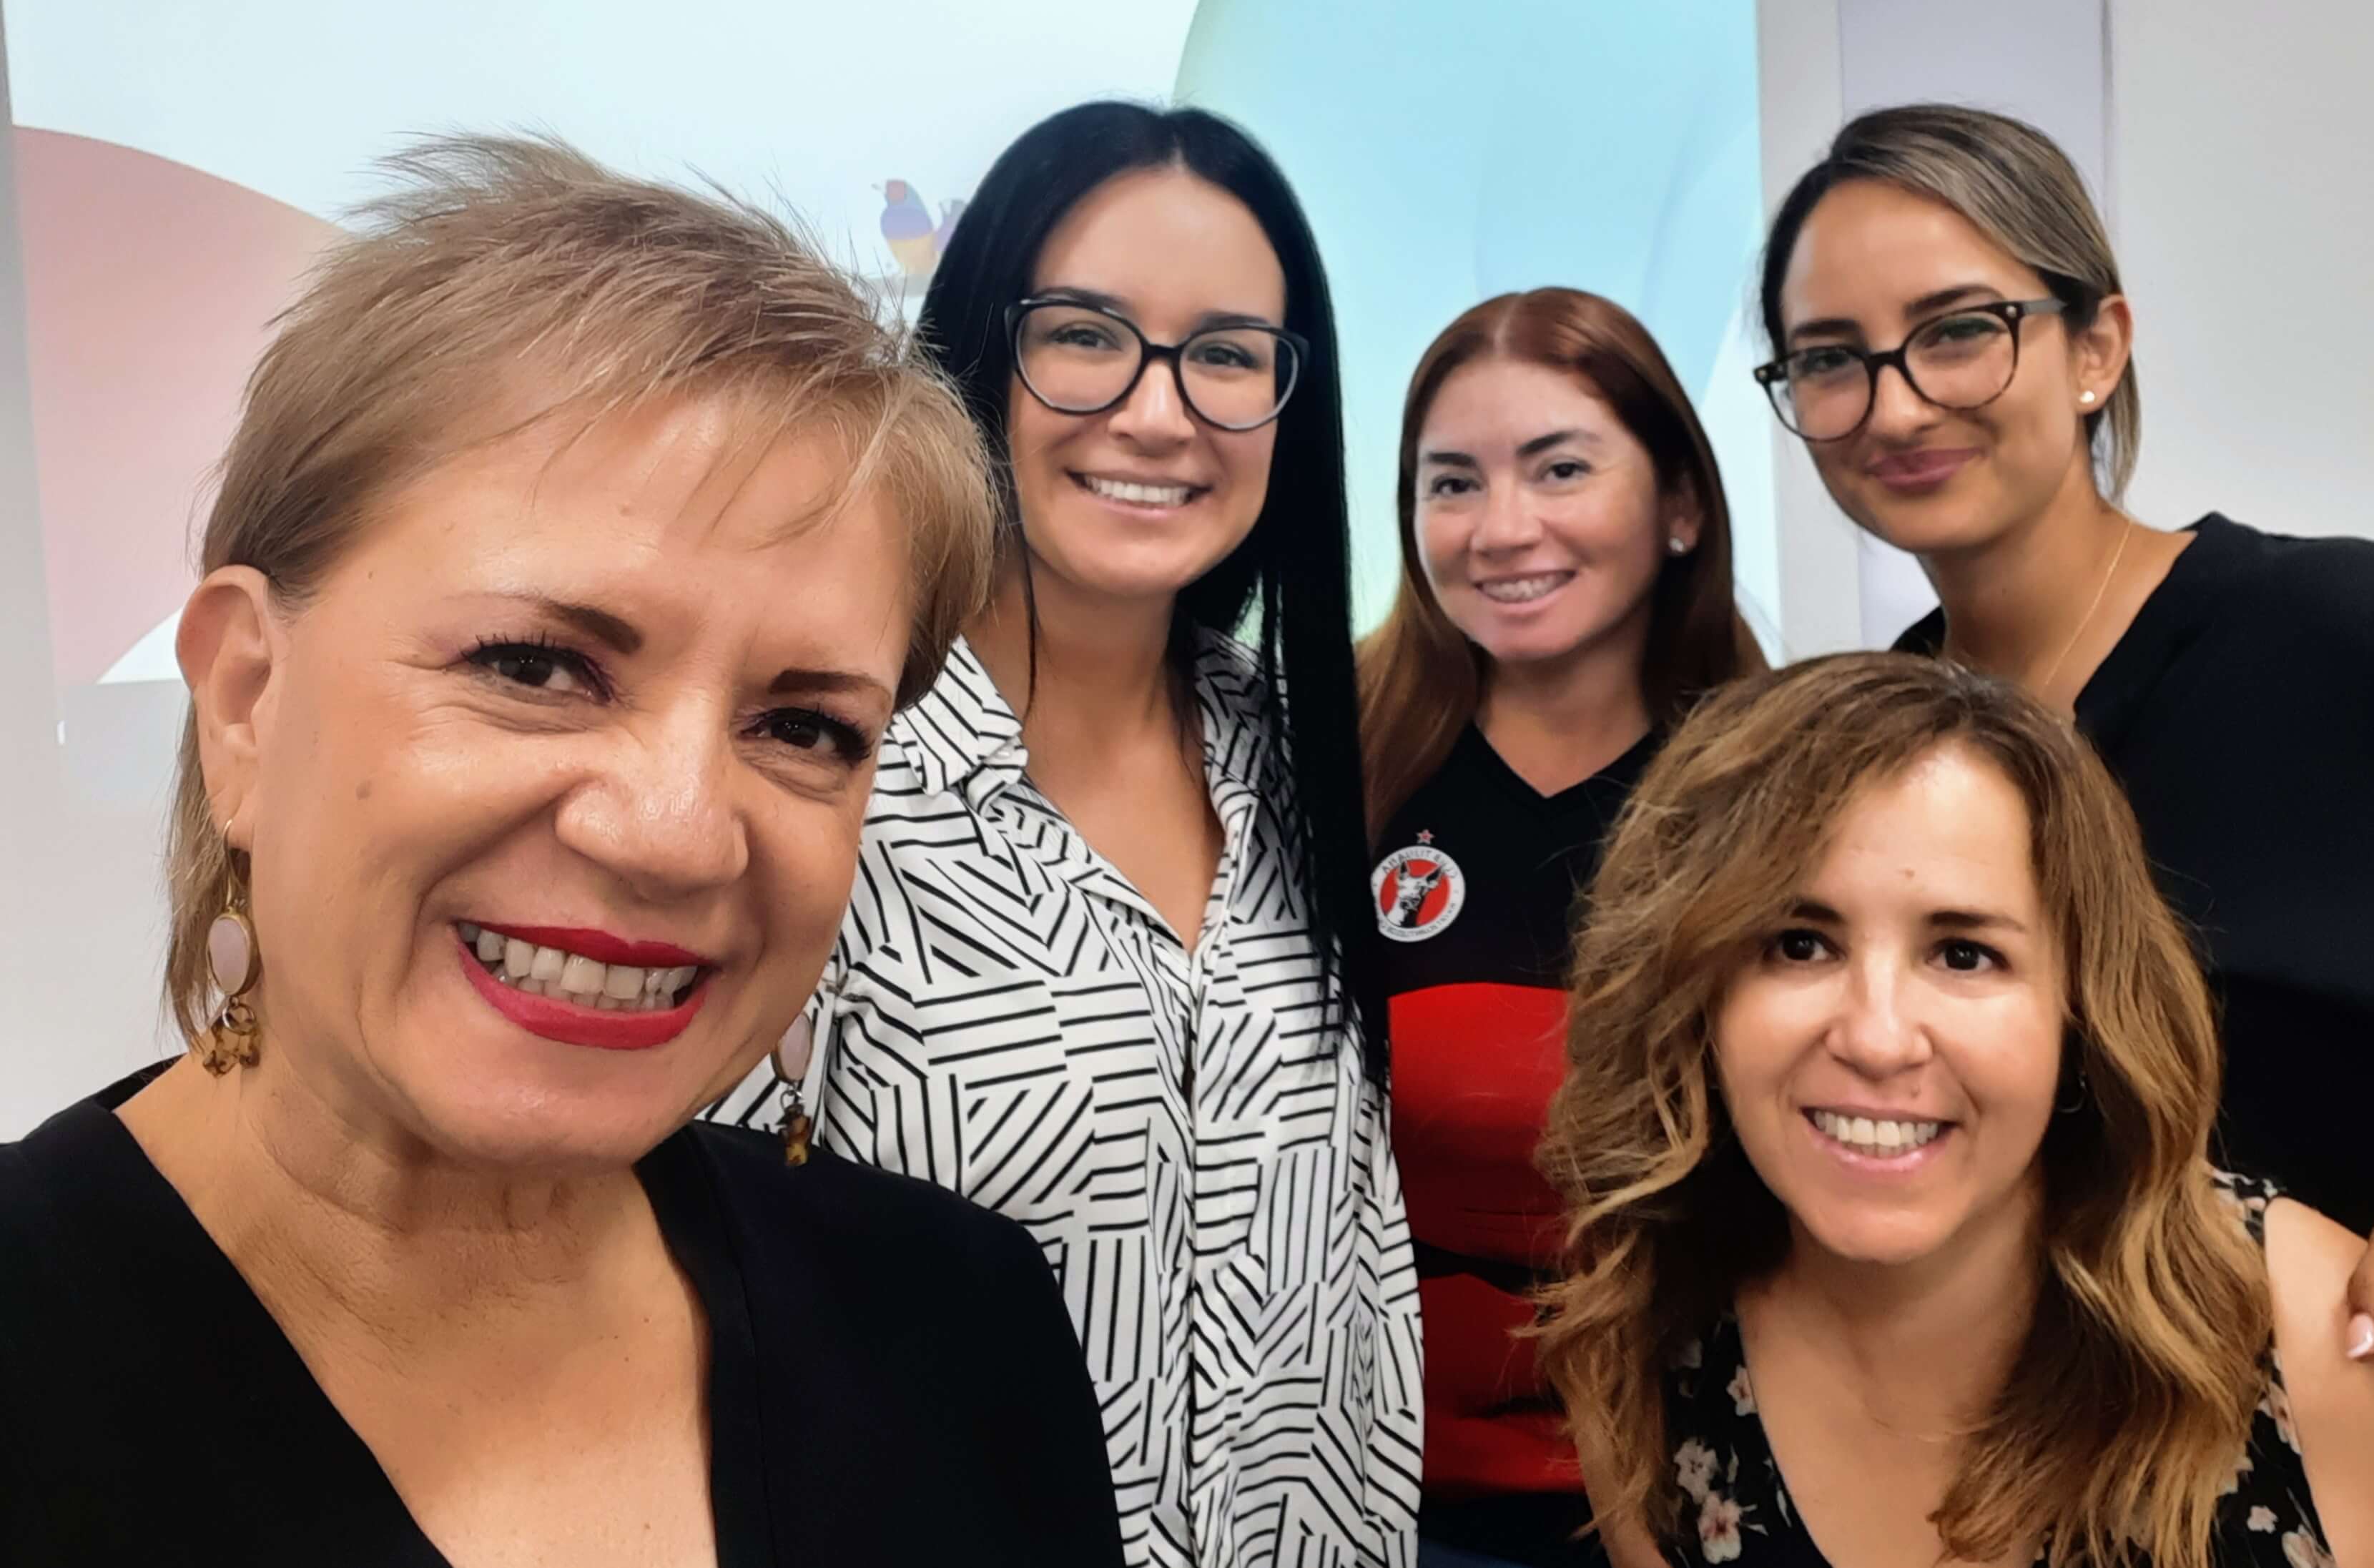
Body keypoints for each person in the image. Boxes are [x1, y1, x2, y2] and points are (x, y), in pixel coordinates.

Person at [0, 138, 1125, 1567]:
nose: (673, 831)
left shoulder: (957, 1321)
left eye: (804, 725)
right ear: (245, 699)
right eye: (536, 665)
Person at [1751, 102, 2374, 1453]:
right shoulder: (1871, 758)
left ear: (2095, 347)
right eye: (1830, 359)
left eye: (1959, 329)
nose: (1894, 403)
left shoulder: (2367, 652)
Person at [717, 102, 1421, 1568]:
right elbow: (685, 1285)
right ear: (980, 349)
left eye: (1227, 354)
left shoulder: (1291, 766)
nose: (1158, 414)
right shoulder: (821, 763)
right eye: (1087, 334)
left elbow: (1351, 1307)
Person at [1540, 653, 2374, 1567]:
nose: (1875, 1034)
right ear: (1697, 994)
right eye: (1798, 942)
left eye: (1964, 952)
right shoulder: (1646, 1346)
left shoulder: (2324, 1354)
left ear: (2079, 1012)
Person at [1353, 288, 1763, 1566]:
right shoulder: (1328, 768)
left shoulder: (1784, 794)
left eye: (1561, 468)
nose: (1501, 528)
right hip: (1361, 1498)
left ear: (1682, 505)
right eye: (1452, 483)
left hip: (1707, 1496)